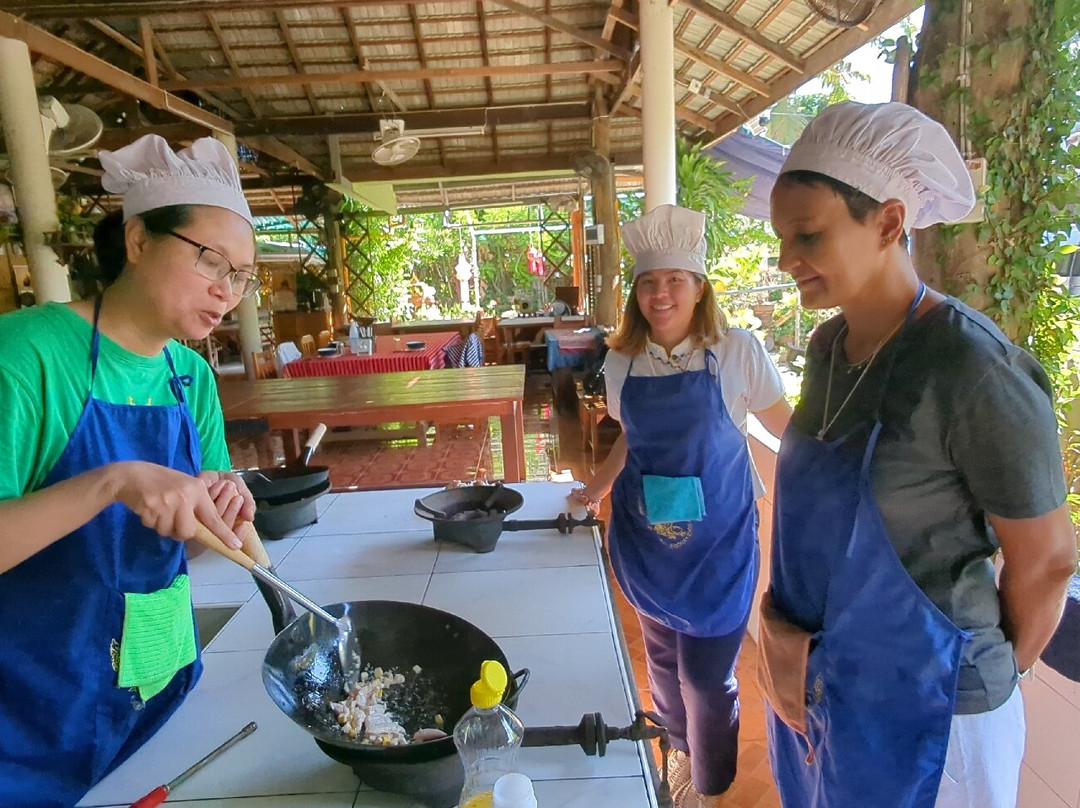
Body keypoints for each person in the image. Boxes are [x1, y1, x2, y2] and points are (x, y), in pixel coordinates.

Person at [762, 101, 1078, 808]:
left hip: (934, 720)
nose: (787, 260)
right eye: (783, 237)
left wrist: (982, 679)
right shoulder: (828, 349)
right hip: (829, 694)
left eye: (808, 235)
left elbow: (1049, 558)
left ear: (889, 222)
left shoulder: (970, 367)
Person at [0, 135, 262, 808]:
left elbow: (190, 544)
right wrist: (110, 481)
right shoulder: (28, 356)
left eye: (242, 276)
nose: (226, 293)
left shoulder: (191, 377)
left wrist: (223, 508)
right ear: (139, 239)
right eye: (212, 262)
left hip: (158, 685)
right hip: (31, 709)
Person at [571, 204, 791, 807]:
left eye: (674, 280)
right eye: (648, 282)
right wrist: (596, 486)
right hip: (647, 538)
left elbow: (791, 433)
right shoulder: (621, 362)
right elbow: (632, 443)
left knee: (705, 677)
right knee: (663, 668)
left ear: (699, 288)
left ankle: (713, 782)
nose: (660, 294)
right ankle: (677, 757)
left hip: (718, 544)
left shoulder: (738, 352)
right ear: (635, 294)